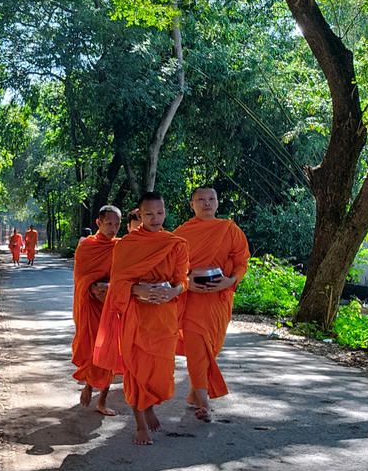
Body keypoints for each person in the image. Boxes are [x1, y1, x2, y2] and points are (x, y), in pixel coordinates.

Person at [93, 192, 188, 445]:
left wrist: (172, 291)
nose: (155, 218)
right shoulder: (127, 245)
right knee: (135, 370)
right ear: (139, 214)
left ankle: (150, 404)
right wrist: (137, 290)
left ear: (165, 213)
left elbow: (183, 281)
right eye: (148, 214)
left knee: (161, 373)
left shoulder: (176, 244)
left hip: (164, 316)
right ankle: (139, 423)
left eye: (159, 213)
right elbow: (118, 284)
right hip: (135, 316)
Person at [173, 186, 250, 421]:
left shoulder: (229, 229)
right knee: (197, 348)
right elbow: (172, 266)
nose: (206, 203)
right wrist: (186, 282)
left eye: (211, 199)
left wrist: (229, 281)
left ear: (217, 203)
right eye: (200, 199)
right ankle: (205, 403)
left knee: (211, 349)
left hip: (219, 298)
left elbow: (241, 261)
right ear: (192, 205)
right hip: (193, 298)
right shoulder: (181, 234)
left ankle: (195, 393)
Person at [72, 206, 121, 415]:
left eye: (117, 224)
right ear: (98, 223)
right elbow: (80, 278)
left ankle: (102, 400)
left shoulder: (122, 246)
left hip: (112, 305)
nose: (113, 228)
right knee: (93, 349)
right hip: (90, 305)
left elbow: (127, 274)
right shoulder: (86, 248)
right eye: (109, 223)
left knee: (110, 352)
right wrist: (92, 287)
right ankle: (89, 386)